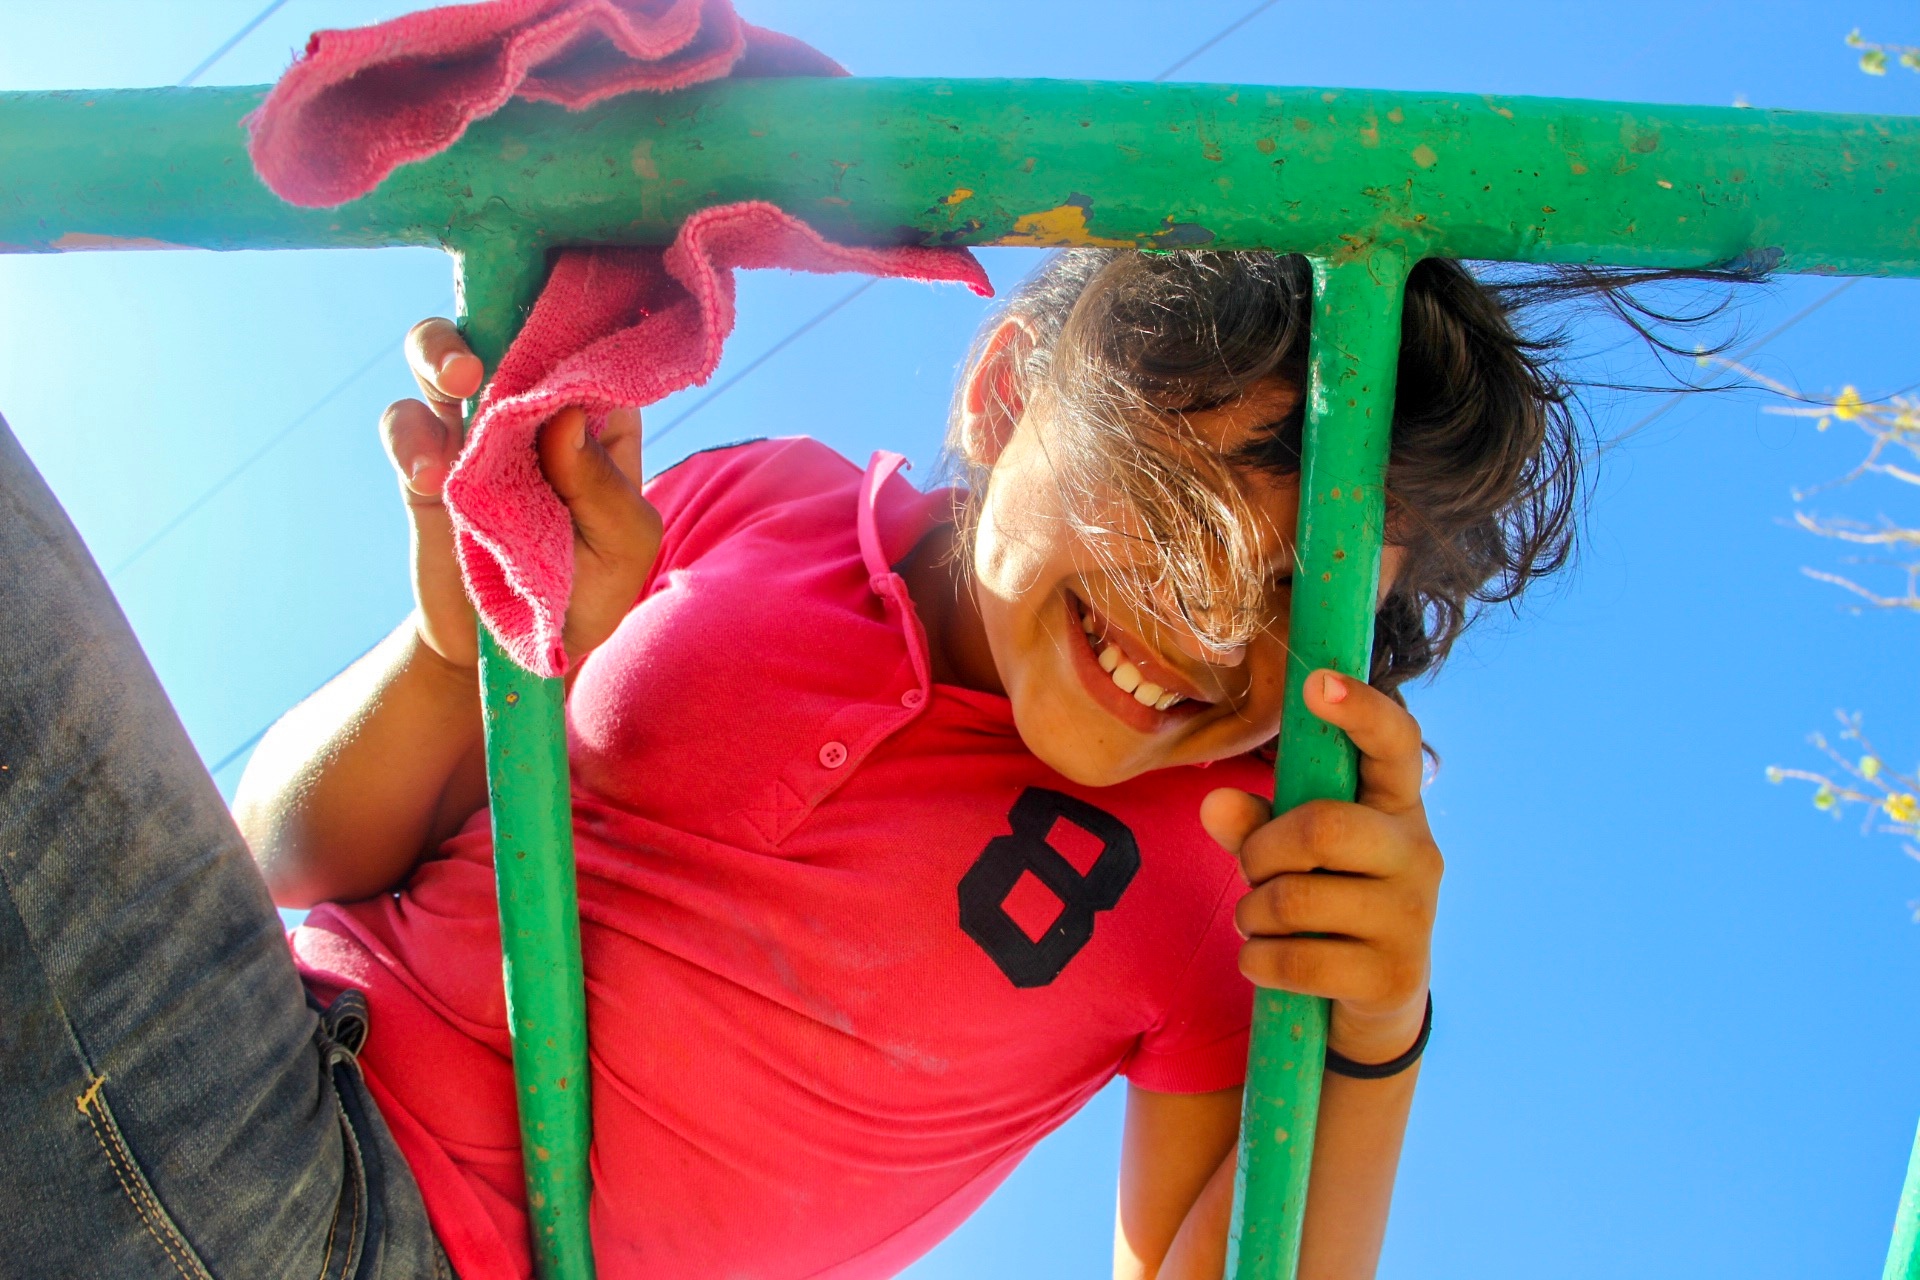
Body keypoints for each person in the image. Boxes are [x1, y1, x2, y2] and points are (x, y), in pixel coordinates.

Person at [0, 248, 1622, 1279]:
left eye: (1298, 598)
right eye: (1172, 508)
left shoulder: (1225, 863)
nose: (1202, 635)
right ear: (1002, 395)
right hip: (234, 1056)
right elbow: (287, 861)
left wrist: (1372, 1032)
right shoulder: (756, 496)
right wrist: (464, 654)